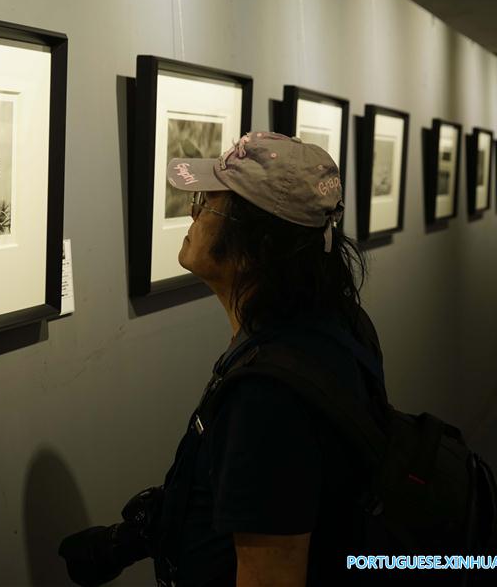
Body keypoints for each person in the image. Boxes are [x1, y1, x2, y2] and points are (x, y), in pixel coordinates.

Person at [59, 132, 387, 587]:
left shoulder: (269, 397)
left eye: (206, 204)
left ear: (257, 244)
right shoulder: (341, 324)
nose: (192, 215)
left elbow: (271, 577)